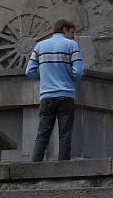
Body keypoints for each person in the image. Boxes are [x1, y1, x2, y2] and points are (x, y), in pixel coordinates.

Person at [26, 20, 83, 161]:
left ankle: (34, 166)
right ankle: (63, 167)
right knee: (65, 134)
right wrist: (68, 79)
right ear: (64, 29)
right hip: (66, 95)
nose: (73, 36)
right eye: (72, 32)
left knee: (43, 133)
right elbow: (78, 72)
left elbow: (29, 71)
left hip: (46, 96)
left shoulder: (40, 46)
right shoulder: (72, 45)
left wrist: (45, 77)